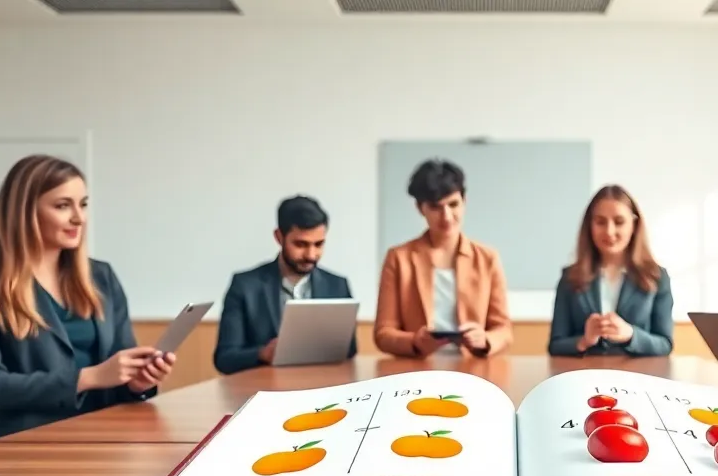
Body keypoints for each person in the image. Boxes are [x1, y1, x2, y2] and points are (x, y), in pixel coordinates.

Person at [0, 154, 173, 440]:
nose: (78, 218)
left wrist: (137, 382)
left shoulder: (101, 277)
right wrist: (89, 377)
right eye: (63, 205)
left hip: (103, 434)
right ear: (24, 212)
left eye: (83, 204)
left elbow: (117, 377)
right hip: (25, 441)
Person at [374, 159, 512, 357]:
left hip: (472, 367)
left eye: (453, 204)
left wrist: (485, 340)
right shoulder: (399, 258)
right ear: (420, 208)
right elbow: (383, 333)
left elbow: (504, 330)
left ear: (465, 202)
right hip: (417, 368)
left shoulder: (487, 258)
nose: (447, 216)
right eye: (436, 207)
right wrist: (415, 341)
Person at [213, 196, 356, 375]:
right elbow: (224, 358)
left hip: (323, 390)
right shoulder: (244, 285)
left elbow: (349, 351)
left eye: (319, 244)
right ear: (279, 237)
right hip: (262, 391)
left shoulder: (337, 285)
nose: (311, 254)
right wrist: (262, 354)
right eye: (300, 244)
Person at [548, 185, 673, 356]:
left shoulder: (656, 277)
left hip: (638, 377)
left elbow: (665, 344)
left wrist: (630, 334)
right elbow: (556, 345)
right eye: (600, 222)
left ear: (634, 225)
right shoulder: (570, 277)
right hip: (585, 376)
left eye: (619, 222)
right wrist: (584, 340)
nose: (609, 231)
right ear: (589, 226)